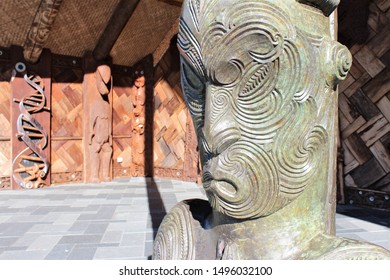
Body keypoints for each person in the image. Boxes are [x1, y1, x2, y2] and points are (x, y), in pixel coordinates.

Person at [153, 0, 390, 259]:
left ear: (330, 65)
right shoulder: (181, 240)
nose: (212, 132)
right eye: (194, 81)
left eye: (256, 78)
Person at [88, 64, 113, 182]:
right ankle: (94, 176)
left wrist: (110, 135)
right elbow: (91, 120)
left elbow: (109, 120)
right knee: (95, 151)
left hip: (105, 136)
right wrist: (90, 133)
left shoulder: (107, 105)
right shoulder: (95, 105)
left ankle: (105, 175)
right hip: (97, 136)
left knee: (108, 150)